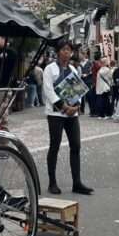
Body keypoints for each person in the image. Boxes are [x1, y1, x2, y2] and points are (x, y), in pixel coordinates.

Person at [42, 40, 94, 196]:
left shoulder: (73, 68)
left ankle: (77, 182)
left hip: (72, 113)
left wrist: (76, 106)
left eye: (69, 50)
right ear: (58, 51)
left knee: (76, 146)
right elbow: (48, 91)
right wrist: (64, 107)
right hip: (56, 113)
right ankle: (52, 182)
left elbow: (77, 89)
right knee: (55, 146)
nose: (66, 53)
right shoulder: (50, 69)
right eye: (64, 49)